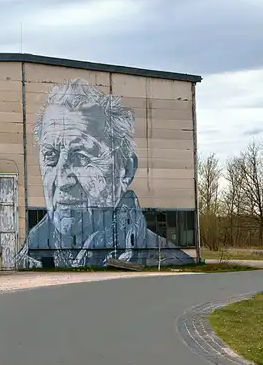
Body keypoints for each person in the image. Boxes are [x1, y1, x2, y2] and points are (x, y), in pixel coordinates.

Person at [15, 78, 193, 268]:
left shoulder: (164, 260)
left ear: (125, 170)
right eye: (50, 155)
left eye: (81, 157)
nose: (62, 180)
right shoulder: (27, 258)